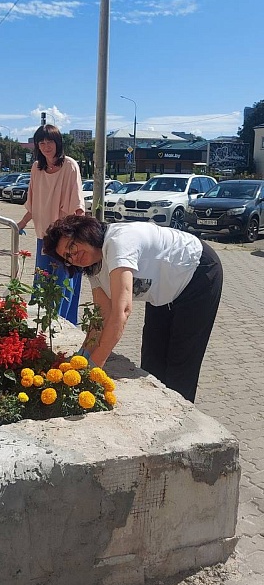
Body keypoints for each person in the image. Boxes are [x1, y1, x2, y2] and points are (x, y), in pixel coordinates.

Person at [42, 216, 223, 403]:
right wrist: (81, 358)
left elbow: (122, 311)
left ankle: (182, 421)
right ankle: (155, 410)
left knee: (181, 361)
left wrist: (94, 370)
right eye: (67, 257)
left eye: (72, 246)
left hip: (197, 273)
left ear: (84, 233)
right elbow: (101, 316)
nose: (74, 256)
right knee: (152, 359)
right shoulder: (93, 266)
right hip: (163, 290)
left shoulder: (118, 242)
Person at [17, 125, 85, 325]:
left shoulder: (70, 166)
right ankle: (40, 326)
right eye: (42, 142)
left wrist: (76, 237)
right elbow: (33, 202)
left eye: (50, 141)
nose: (46, 146)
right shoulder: (37, 168)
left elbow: (77, 205)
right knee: (42, 281)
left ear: (58, 143)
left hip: (65, 237)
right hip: (44, 237)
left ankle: (62, 325)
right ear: (37, 145)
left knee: (64, 282)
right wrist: (20, 224)